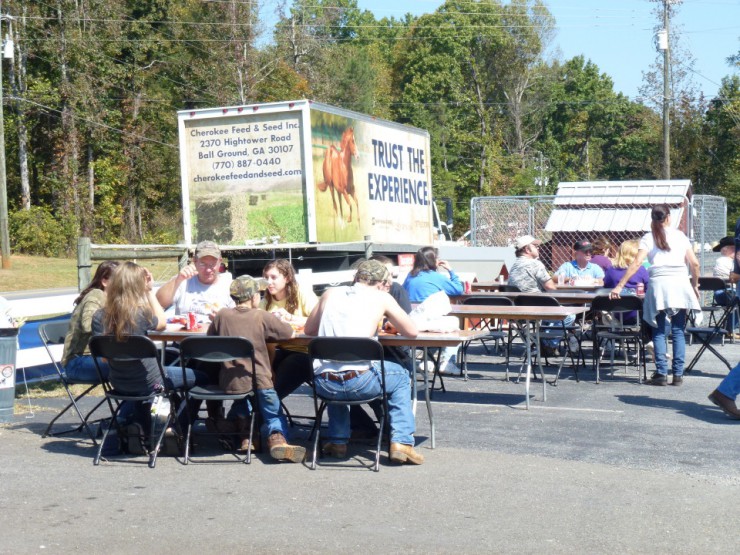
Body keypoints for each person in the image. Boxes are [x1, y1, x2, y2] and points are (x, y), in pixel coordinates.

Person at [305, 259, 424, 465]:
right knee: (402, 376)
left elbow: (309, 330)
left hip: (324, 383)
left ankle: (338, 441)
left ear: (355, 278)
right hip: (360, 382)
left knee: (333, 364)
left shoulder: (329, 294)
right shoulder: (382, 298)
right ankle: (401, 442)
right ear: (380, 283)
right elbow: (412, 331)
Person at [91, 262, 209, 449]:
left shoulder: (99, 317)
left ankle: (139, 425)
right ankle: (176, 427)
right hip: (152, 381)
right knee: (202, 378)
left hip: (119, 382)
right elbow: (161, 322)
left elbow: (104, 358)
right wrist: (149, 291)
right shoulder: (140, 314)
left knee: (142, 386)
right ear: (137, 285)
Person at [208, 275, 306, 462]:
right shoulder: (261, 315)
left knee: (243, 401)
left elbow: (211, 339)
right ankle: (277, 440)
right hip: (261, 380)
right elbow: (289, 333)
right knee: (272, 412)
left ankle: (247, 436)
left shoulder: (221, 315)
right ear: (254, 297)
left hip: (231, 379)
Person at [609, 203, 701, 386]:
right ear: (669, 217)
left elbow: (636, 263)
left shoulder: (648, 238)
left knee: (658, 330)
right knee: (678, 330)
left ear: (652, 218)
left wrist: (619, 286)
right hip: (680, 282)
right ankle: (677, 374)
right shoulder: (680, 236)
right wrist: (695, 285)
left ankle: (660, 373)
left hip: (659, 284)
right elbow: (695, 264)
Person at [508, 235, 577, 354]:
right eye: (535, 246)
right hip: (537, 308)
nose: (538, 248)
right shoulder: (535, 264)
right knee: (570, 316)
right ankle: (547, 343)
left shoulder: (514, 266)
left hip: (518, 309)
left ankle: (541, 341)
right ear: (527, 249)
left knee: (551, 315)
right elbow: (550, 287)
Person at [403, 246, 464, 374]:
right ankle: (447, 362)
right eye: (437, 258)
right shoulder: (437, 277)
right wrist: (450, 270)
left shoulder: (410, 276)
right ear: (432, 260)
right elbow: (458, 289)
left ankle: (428, 361)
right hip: (428, 322)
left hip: (411, 322)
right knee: (454, 322)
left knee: (436, 321)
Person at [62, 260, 120, 382]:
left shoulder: (114, 301)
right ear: (105, 281)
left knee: (136, 362)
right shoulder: (96, 295)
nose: (124, 283)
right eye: (120, 279)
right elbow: (88, 325)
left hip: (98, 358)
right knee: (130, 366)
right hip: (77, 362)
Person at [155, 240, 234, 322]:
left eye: (212, 264)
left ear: (220, 262)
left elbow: (240, 319)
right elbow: (158, 303)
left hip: (216, 333)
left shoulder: (230, 286)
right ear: (195, 261)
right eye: (203, 264)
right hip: (186, 333)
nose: (208, 270)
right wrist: (177, 280)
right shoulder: (183, 280)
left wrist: (222, 319)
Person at [711, 236, 738, 336]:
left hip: (727, 292)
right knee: (737, 298)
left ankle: (731, 328)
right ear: (728, 249)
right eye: (735, 248)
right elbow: (734, 277)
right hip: (725, 293)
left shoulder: (728, 261)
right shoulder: (724, 261)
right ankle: (731, 329)